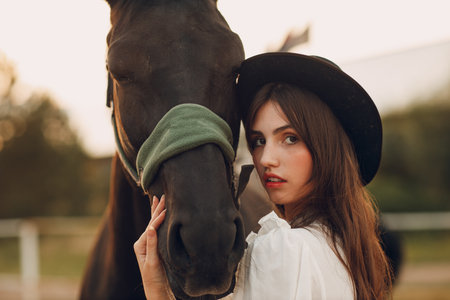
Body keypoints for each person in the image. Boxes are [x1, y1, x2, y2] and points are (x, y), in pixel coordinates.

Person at [134, 52, 392, 300]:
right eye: (258, 141)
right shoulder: (346, 251)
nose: (266, 159)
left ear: (328, 148)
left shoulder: (281, 254)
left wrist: (157, 291)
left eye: (290, 138)